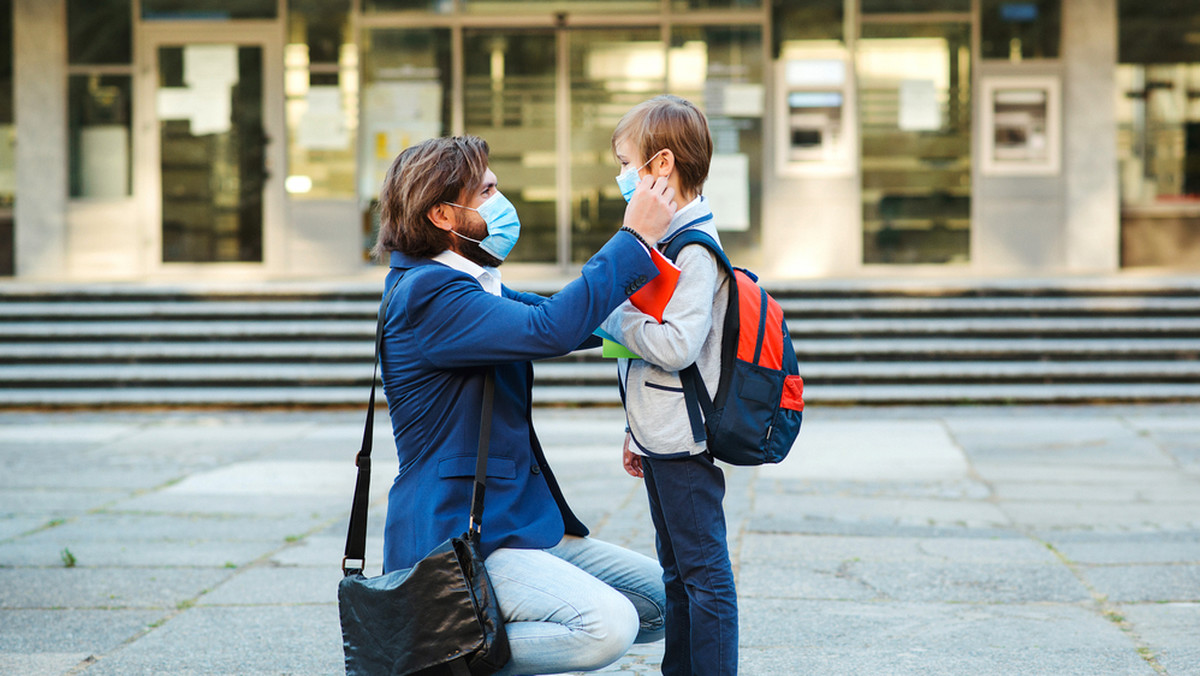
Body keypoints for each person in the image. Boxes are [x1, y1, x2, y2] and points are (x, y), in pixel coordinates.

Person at [373, 134, 674, 676]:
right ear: (444, 214)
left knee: (666, 599)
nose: (499, 197)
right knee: (606, 626)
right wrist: (632, 238)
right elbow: (550, 329)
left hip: (513, 526)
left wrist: (665, 323)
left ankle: (468, 643)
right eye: (486, 190)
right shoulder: (429, 296)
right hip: (457, 537)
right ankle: (433, 660)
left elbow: (568, 319)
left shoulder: (469, 286)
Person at [599, 95, 738, 675]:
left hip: (683, 439)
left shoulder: (695, 249)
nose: (620, 175)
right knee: (678, 571)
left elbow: (676, 345)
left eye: (626, 162)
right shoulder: (665, 239)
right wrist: (634, 427)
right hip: (660, 433)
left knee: (704, 575)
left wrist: (608, 312)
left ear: (660, 165)